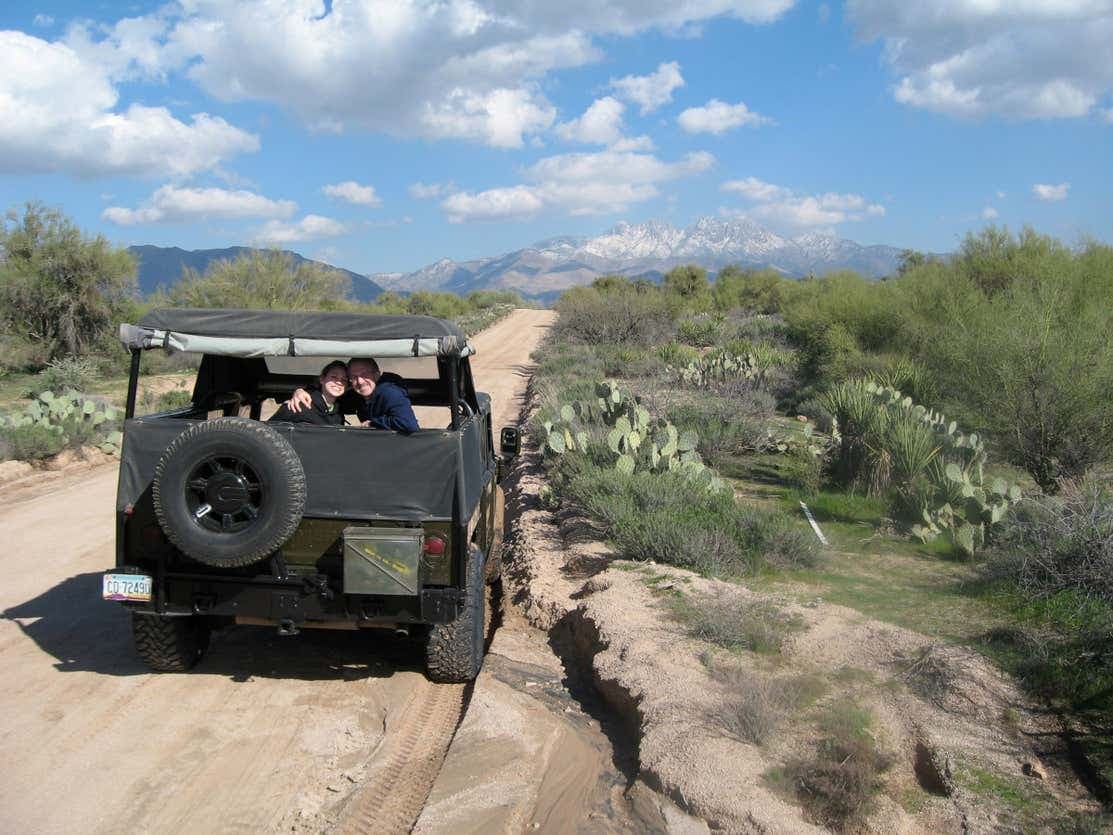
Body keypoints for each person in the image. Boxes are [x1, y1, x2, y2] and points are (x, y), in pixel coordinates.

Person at [285, 357, 419, 433]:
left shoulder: (390, 392)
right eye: (354, 377)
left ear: (377, 375)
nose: (360, 381)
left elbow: (408, 423)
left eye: (365, 374)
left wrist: (373, 423)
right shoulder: (356, 396)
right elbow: (328, 393)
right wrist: (301, 391)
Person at [269, 360, 348, 426]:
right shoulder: (299, 405)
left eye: (344, 379)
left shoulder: (339, 414)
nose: (339, 382)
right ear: (322, 379)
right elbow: (266, 431)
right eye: (333, 377)